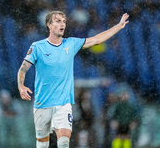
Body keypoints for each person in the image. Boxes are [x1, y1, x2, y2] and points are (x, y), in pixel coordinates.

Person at [17, 10, 129, 148]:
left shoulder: (70, 44)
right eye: (58, 21)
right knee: (43, 143)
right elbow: (23, 68)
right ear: (49, 25)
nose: (62, 24)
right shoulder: (37, 46)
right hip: (44, 101)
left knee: (64, 141)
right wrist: (21, 85)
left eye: (64, 21)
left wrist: (118, 27)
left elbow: (97, 39)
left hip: (64, 103)